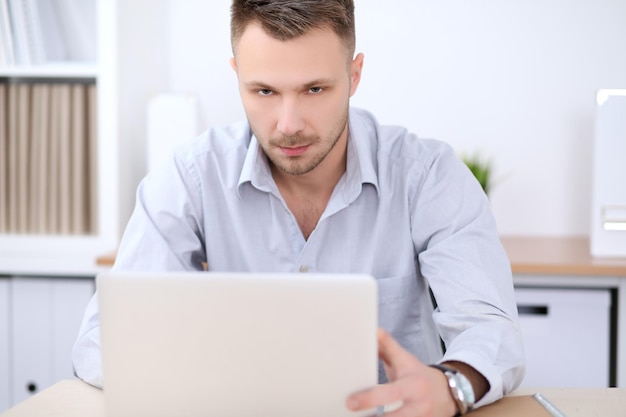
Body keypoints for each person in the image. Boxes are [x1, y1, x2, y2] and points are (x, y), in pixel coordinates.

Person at [73, 0, 525, 415]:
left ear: (355, 74)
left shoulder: (427, 175)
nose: (288, 125)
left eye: (314, 89)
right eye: (264, 92)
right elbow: (101, 343)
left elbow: (491, 331)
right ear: (237, 76)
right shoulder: (191, 176)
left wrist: (450, 387)